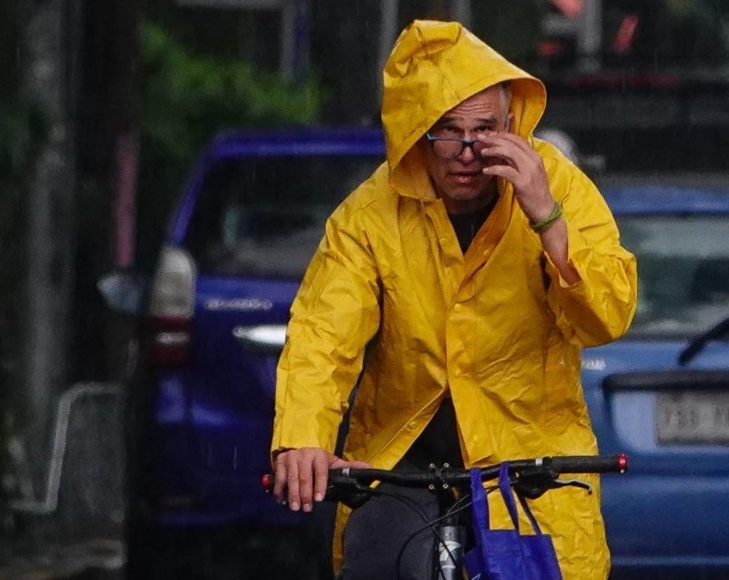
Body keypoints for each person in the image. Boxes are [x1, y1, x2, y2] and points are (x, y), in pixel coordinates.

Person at [270, 19, 638, 580]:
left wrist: (547, 218)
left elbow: (608, 315)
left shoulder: (556, 184)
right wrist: (301, 438)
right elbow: (323, 334)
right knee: (378, 559)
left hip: (529, 461)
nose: (467, 152)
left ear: (512, 124)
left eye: (485, 130)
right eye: (446, 131)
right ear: (417, 134)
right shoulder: (369, 216)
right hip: (404, 463)